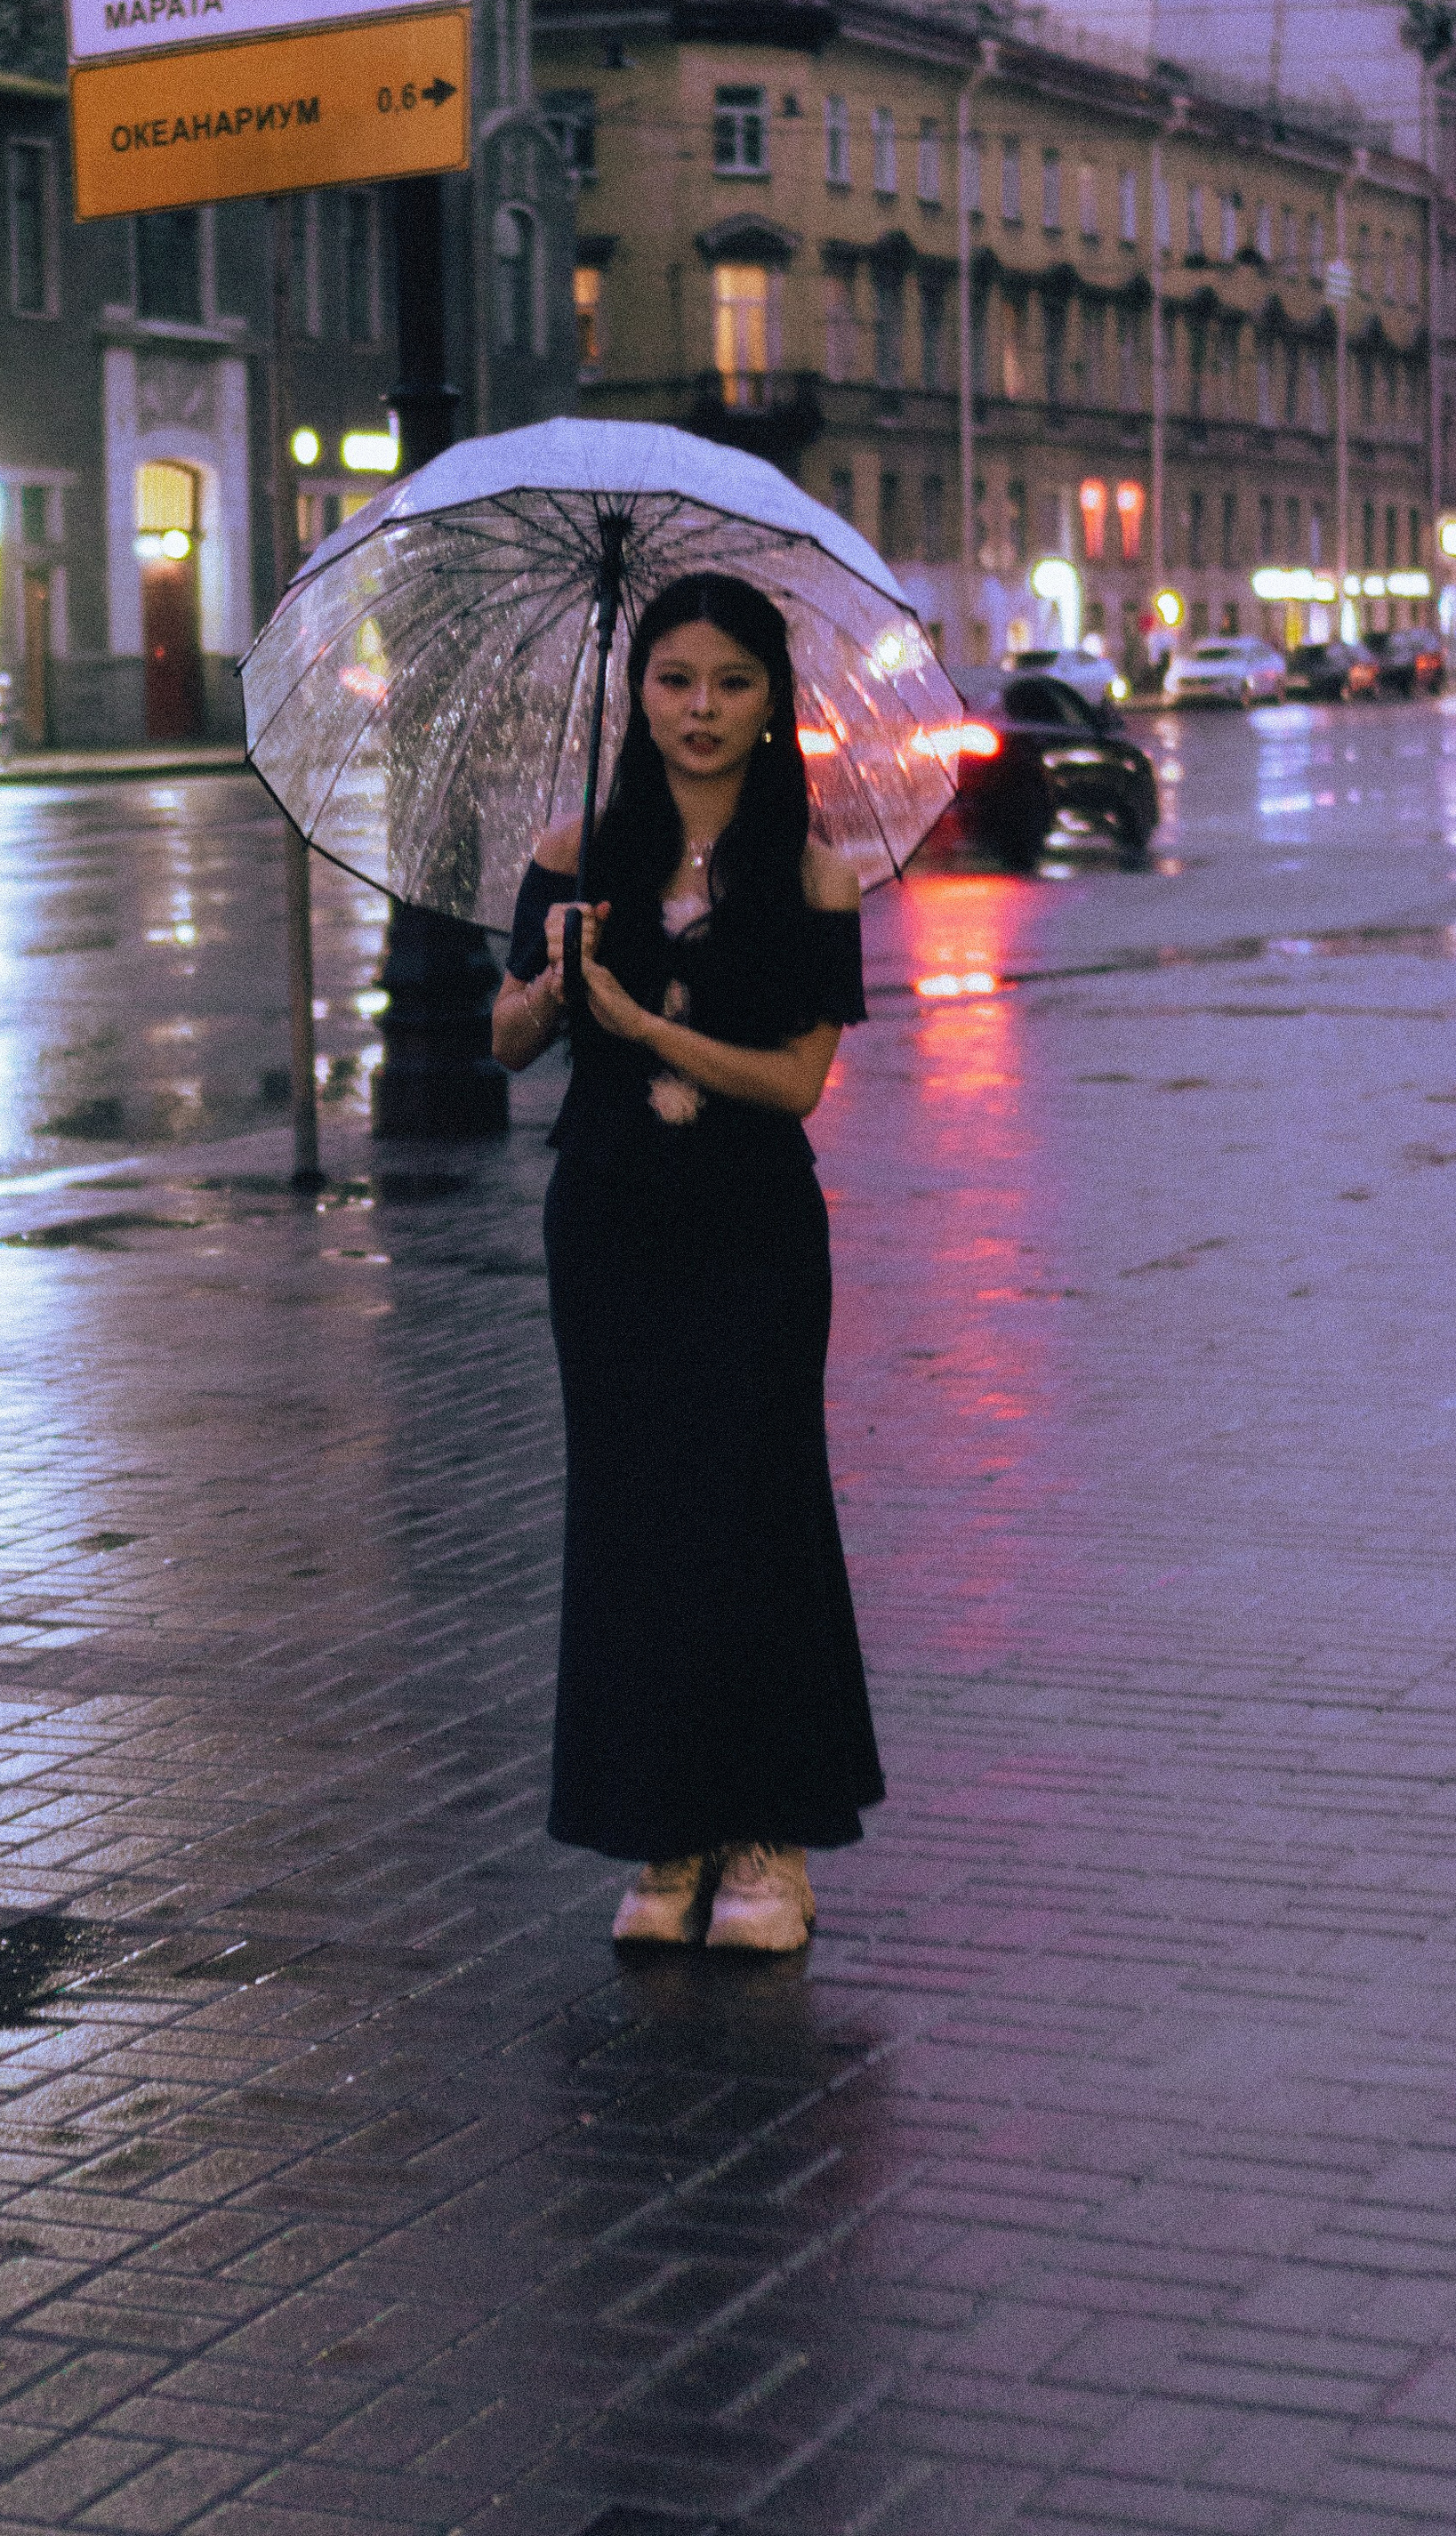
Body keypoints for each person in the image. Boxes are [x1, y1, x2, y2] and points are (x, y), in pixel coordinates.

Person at [493, 573, 880, 1956]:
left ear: (775, 701)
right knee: (635, 1523)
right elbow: (507, 1044)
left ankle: (769, 1842)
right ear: (636, 694)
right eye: (673, 681)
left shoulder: (813, 872)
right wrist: (550, 989)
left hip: (753, 1234)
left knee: (755, 1513)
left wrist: (642, 1027)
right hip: (609, 1224)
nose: (699, 709)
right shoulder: (573, 854)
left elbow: (794, 1084)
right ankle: (663, 1839)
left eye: (730, 683)